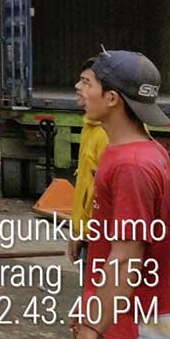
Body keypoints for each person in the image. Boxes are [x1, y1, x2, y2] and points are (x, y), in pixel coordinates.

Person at [60, 50, 170, 339]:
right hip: (132, 326)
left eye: (88, 83)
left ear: (112, 98)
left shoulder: (131, 165)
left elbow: (126, 260)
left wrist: (87, 338)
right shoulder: (145, 151)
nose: (80, 89)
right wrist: (92, 306)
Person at [68, 58, 110, 259]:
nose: (77, 86)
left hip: (101, 241)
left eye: (86, 82)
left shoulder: (109, 136)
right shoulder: (91, 125)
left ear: (111, 96)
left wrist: (84, 233)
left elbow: (102, 198)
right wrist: (77, 231)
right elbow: (86, 186)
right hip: (88, 236)